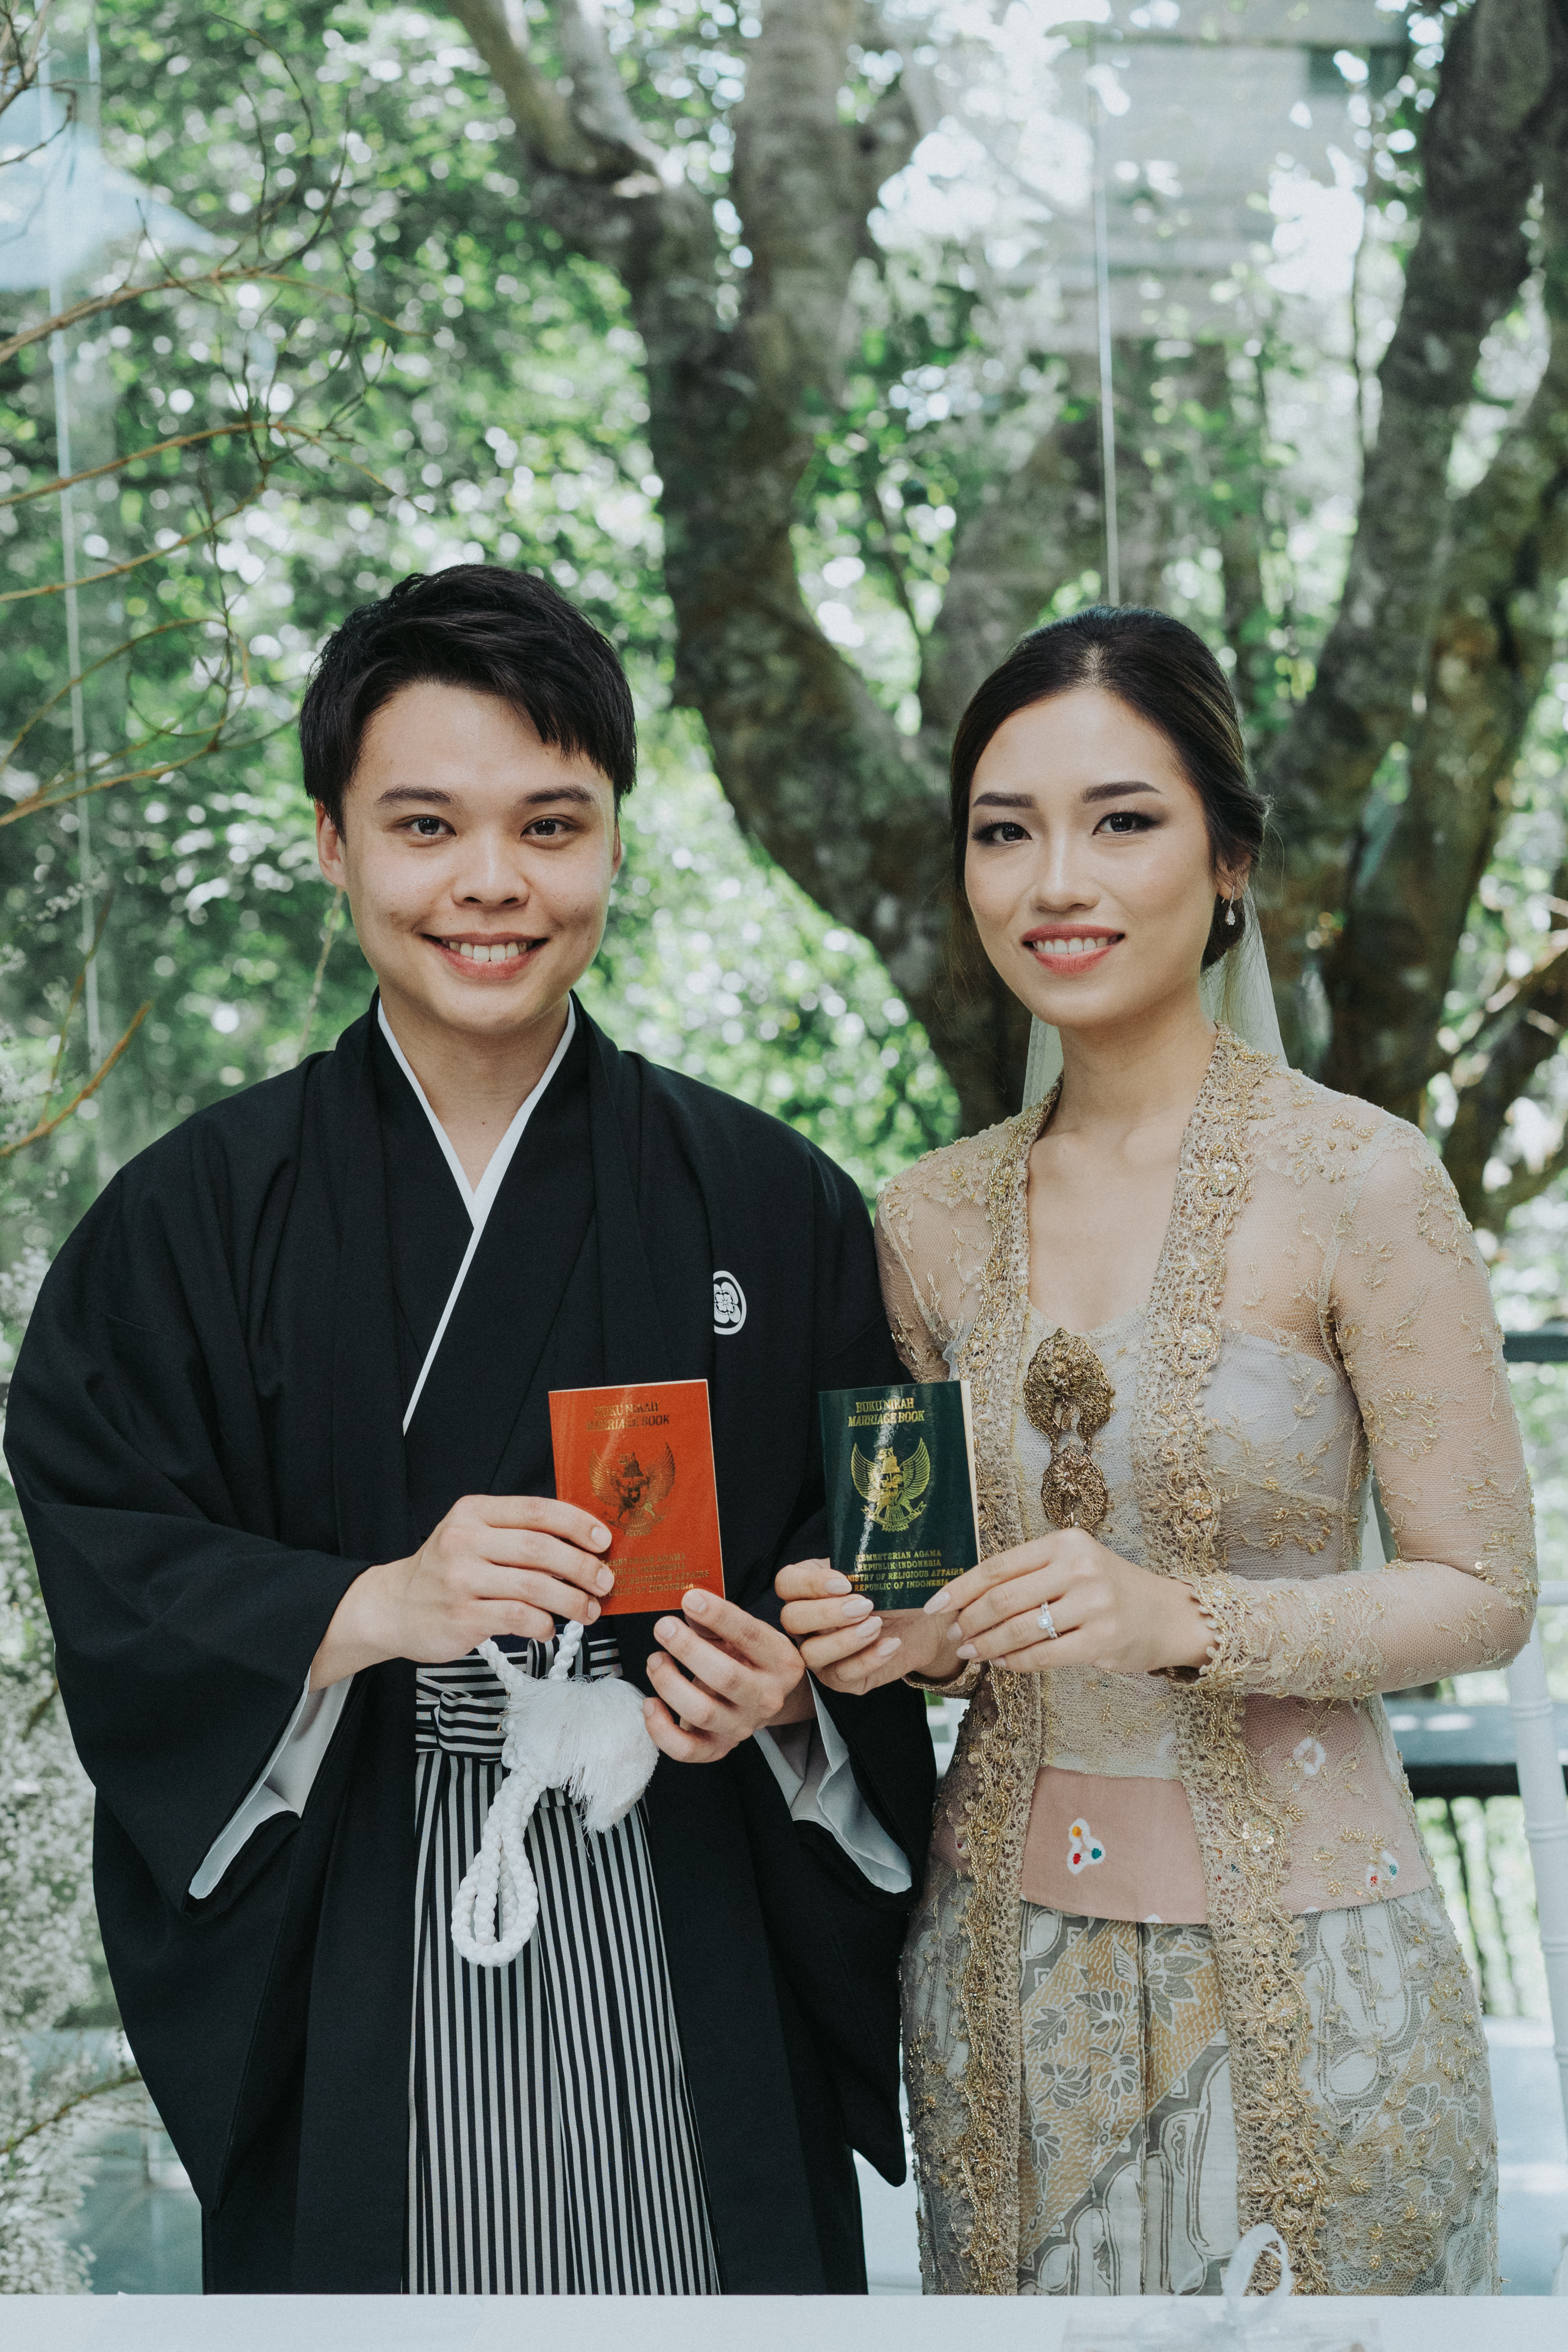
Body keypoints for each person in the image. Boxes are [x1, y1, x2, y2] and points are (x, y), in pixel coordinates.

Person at [6, 565, 933, 2296]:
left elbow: (898, 1572)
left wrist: (798, 1690)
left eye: (549, 825)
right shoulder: (194, 1216)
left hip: (691, 1899)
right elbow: (104, 1529)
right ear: (331, 842)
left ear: (614, 838)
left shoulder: (779, 1200)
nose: (492, 883)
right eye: (425, 825)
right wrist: (371, 1605)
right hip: (364, 1922)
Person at [779, 606, 1536, 2297]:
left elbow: (1484, 1591)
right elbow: (917, 1597)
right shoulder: (921, 1220)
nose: (1055, 879)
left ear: (1229, 860)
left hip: (1318, 1979)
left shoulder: (1362, 1180)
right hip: (998, 1982)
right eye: (1004, 831)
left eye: (1120, 819)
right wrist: (887, 1633)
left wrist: (1178, 1617)